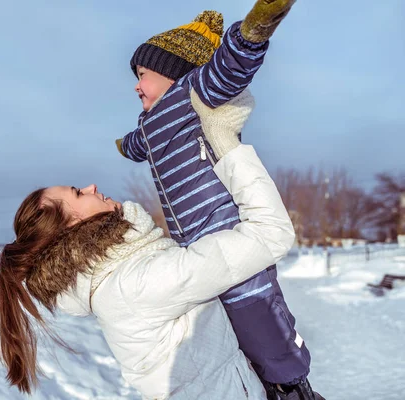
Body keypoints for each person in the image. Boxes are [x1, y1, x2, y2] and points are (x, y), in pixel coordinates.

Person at [0, 91, 299, 399]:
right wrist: (226, 144)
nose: (91, 187)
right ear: (69, 226)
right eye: (77, 192)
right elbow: (271, 232)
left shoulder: (122, 276)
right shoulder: (137, 284)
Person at [115, 2, 320, 398]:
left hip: (228, 232)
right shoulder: (149, 122)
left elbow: (228, 68)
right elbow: (142, 143)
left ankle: (294, 386)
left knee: (257, 314)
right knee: (227, 332)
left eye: (142, 75)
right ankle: (263, 385)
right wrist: (128, 146)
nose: (136, 85)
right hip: (195, 250)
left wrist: (251, 35)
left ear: (172, 71)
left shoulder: (193, 93)